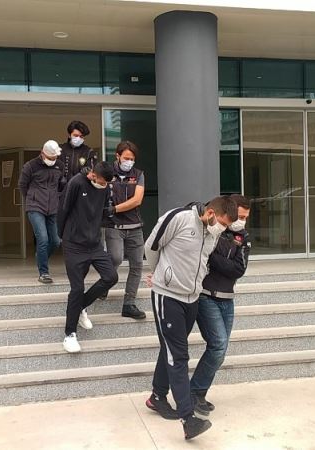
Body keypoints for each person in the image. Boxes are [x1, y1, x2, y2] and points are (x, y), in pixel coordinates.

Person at [143, 196, 237, 441]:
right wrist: (159, 274)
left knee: (170, 348)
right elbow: (151, 246)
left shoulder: (211, 233)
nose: (223, 229)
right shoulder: (178, 218)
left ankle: (157, 396)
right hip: (168, 296)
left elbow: (203, 261)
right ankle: (188, 419)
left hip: (192, 298)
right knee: (178, 355)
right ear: (211, 213)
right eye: (223, 224)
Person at [189, 194, 251, 415]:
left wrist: (217, 260)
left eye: (245, 218)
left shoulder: (242, 236)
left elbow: (239, 269)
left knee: (220, 350)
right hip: (206, 296)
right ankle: (193, 393)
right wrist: (222, 261)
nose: (242, 221)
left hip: (227, 298)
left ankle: (198, 393)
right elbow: (205, 256)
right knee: (217, 345)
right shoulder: (213, 227)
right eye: (240, 216)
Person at [57, 161, 118, 353]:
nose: (104, 185)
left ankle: (81, 306)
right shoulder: (76, 182)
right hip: (74, 244)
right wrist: (62, 235)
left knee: (111, 277)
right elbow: (64, 208)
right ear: (93, 175)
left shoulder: (105, 188)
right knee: (77, 288)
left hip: (94, 244)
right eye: (102, 181)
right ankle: (69, 334)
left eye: (107, 183)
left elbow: (103, 211)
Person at [100, 140, 147, 320]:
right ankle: (105, 283)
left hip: (135, 226)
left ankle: (129, 304)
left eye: (132, 159)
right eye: (126, 158)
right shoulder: (108, 172)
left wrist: (114, 209)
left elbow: (137, 200)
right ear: (118, 156)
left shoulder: (138, 175)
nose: (129, 162)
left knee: (137, 265)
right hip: (114, 226)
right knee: (116, 258)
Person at [18, 140, 64, 284]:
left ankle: (41, 257)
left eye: (54, 157)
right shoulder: (30, 166)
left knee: (56, 241)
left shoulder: (60, 165)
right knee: (43, 239)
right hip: (35, 207)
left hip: (53, 207)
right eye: (50, 157)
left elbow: (61, 184)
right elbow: (22, 185)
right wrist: (32, 198)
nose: (53, 160)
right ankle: (44, 273)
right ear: (42, 153)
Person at [58, 120, 97, 191]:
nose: (78, 138)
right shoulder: (59, 150)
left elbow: (93, 174)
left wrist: (87, 172)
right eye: (75, 135)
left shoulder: (89, 152)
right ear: (69, 135)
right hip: (61, 191)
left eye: (81, 136)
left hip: (81, 191)